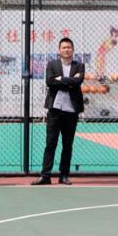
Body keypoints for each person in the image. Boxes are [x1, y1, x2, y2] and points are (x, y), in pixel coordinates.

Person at [32, 38, 85, 185]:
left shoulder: (79, 65)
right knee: (50, 144)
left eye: (69, 47)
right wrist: (69, 81)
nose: (66, 50)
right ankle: (45, 175)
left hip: (71, 111)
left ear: (73, 50)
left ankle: (64, 175)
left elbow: (78, 81)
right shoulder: (52, 64)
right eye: (64, 47)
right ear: (59, 50)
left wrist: (61, 79)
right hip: (55, 110)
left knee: (67, 145)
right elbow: (50, 81)